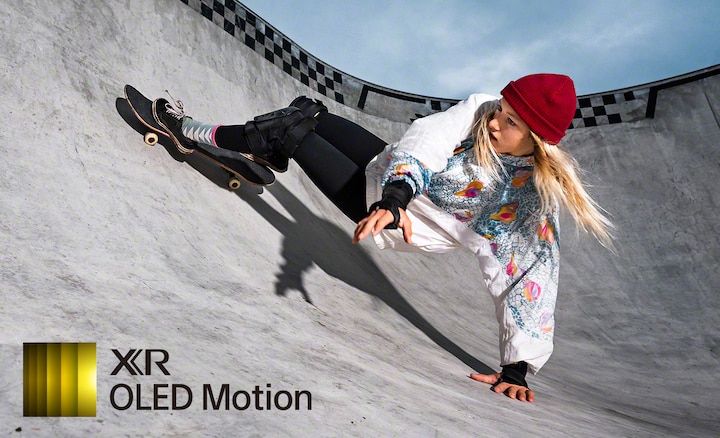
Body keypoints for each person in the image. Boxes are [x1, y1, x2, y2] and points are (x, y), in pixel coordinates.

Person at [153, 73, 613, 403]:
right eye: (501, 111)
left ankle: (188, 131)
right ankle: (260, 149)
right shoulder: (481, 109)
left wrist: (516, 367)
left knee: (288, 132)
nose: (496, 124)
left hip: (401, 221)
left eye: (512, 125)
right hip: (391, 180)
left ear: (538, 141)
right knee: (306, 113)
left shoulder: (525, 202)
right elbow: (428, 140)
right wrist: (393, 194)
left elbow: (530, 277)